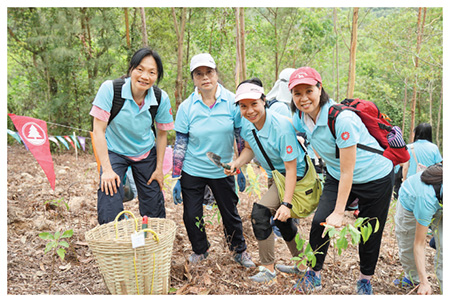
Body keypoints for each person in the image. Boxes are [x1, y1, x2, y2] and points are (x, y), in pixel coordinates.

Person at [289, 67, 394, 294]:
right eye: (297, 93)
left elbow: (349, 171)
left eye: (308, 90)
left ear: (320, 88)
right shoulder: (300, 117)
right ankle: (313, 274)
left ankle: (365, 279)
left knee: (369, 230)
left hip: (375, 176)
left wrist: (339, 212)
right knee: (319, 222)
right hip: (337, 175)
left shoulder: (342, 119)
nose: (303, 98)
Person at [172, 53, 254, 267]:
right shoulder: (187, 107)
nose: (205, 77)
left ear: (216, 74)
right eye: (199, 74)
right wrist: (176, 176)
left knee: (230, 213)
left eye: (209, 72)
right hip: (193, 169)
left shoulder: (232, 102)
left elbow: (239, 137)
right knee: (191, 215)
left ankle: (239, 250)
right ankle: (200, 250)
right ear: (194, 79)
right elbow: (180, 143)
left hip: (223, 169)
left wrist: (241, 168)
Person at [224, 78, 307, 284]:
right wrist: (237, 163)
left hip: (295, 176)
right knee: (282, 222)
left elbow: (291, 168)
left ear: (264, 101)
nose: (249, 110)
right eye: (243, 106)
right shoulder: (246, 123)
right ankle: (303, 265)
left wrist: (287, 203)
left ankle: (268, 268)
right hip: (276, 176)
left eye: (254, 104)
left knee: (260, 213)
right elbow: (250, 148)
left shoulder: (281, 127)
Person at [90, 47, 174, 224]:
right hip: (115, 150)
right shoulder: (110, 90)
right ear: (131, 69)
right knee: (109, 193)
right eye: (140, 69)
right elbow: (98, 131)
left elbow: (161, 134)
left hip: (145, 152)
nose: (145, 76)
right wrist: (107, 169)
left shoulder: (160, 98)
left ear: (157, 76)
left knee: (154, 204)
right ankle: (114, 241)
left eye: (152, 72)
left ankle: (153, 243)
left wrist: (159, 169)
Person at [394, 164, 443, 294]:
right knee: (408, 242)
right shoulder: (426, 199)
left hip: (439, 200)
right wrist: (424, 281)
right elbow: (419, 243)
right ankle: (413, 278)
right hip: (411, 201)